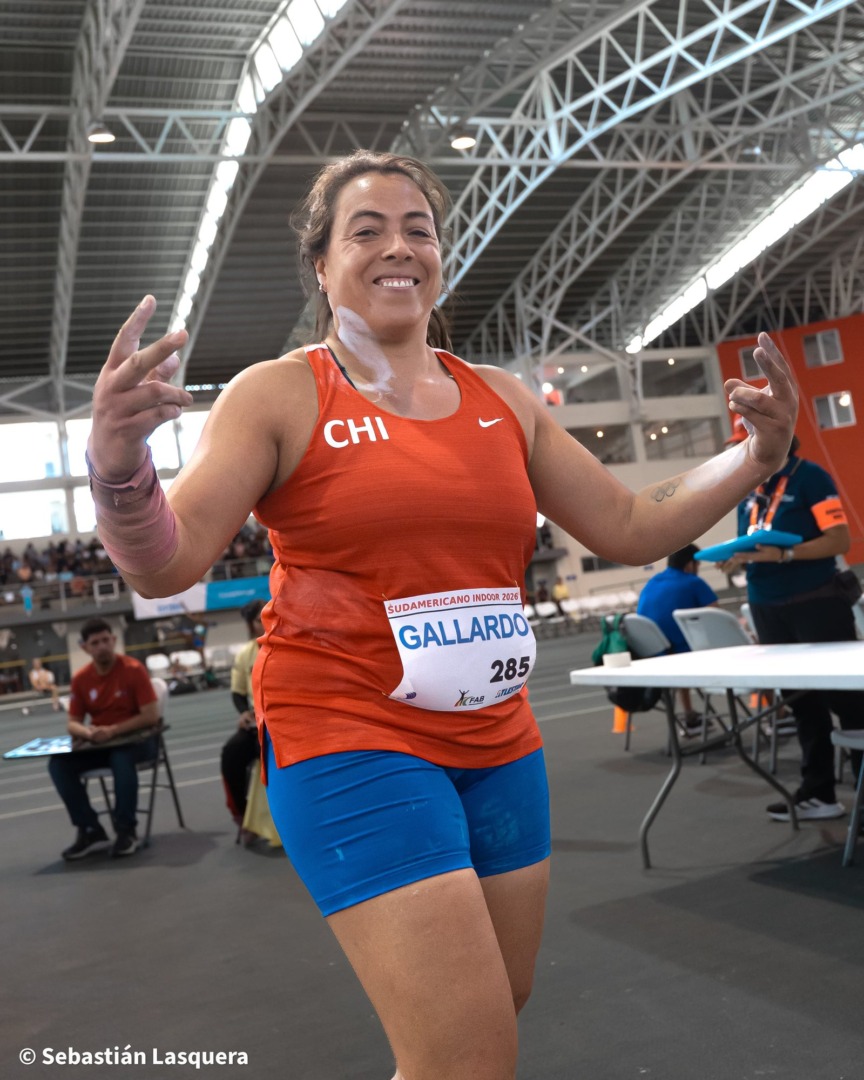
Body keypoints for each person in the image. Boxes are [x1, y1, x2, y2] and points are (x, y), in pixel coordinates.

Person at [85, 150, 796, 1079]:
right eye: (366, 230)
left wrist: (757, 454)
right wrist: (115, 464)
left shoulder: (501, 397)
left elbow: (628, 523)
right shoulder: (283, 393)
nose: (398, 246)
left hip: (498, 740)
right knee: (468, 1054)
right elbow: (167, 556)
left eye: (418, 228)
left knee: (495, 1008)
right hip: (351, 735)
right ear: (323, 265)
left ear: (441, 256)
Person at [718, 430, 864, 823]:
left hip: (816, 602)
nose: (741, 452)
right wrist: (737, 558)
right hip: (767, 607)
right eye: (738, 446)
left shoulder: (811, 477)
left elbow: (838, 541)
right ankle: (819, 793)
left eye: (747, 443)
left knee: (850, 703)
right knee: (801, 703)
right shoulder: (747, 493)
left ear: (778, 441)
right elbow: (750, 546)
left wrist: (785, 554)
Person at [47, 617, 159, 860]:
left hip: (139, 743)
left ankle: (126, 830)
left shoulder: (133, 670)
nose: (102, 646)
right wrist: (89, 733)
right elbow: (73, 723)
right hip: (102, 743)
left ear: (114, 640)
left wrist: (113, 730)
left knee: (121, 758)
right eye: (95, 642)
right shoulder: (81, 679)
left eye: (106, 640)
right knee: (58, 764)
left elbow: (151, 716)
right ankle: (90, 829)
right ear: (85, 647)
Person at [636, 544, 718, 732]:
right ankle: (776, 716)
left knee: (679, 648)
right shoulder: (692, 582)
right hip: (683, 660)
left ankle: (689, 714)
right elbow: (716, 618)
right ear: (690, 564)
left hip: (653, 658)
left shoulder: (652, 583)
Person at [220, 599, 265, 841]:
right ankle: (245, 816)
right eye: (260, 619)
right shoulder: (245, 655)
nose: (266, 621)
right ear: (251, 625)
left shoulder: (291, 644)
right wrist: (244, 713)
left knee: (268, 751)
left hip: (287, 723)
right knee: (231, 754)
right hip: (257, 723)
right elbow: (238, 693)